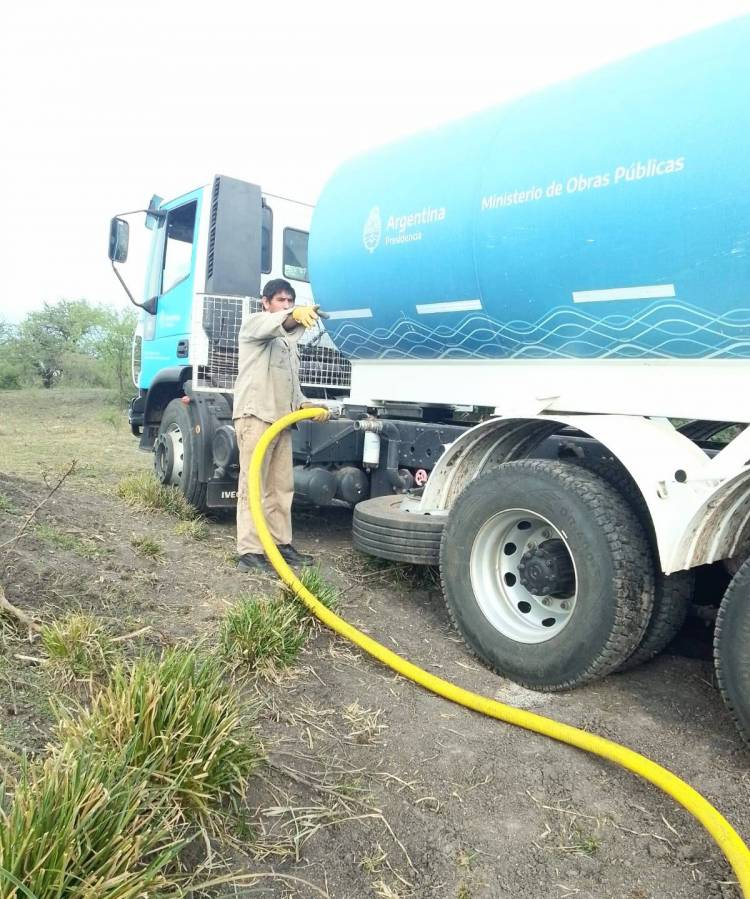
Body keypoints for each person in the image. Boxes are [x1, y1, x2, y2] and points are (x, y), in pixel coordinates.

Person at [233, 278, 330, 574]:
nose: (286, 305)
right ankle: (250, 551)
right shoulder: (253, 325)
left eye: (290, 301)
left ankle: (280, 544)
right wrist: (293, 315)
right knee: (253, 485)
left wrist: (305, 405)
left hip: (281, 422)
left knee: (281, 487)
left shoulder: (288, 345)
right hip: (255, 417)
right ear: (265, 302)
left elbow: (290, 384)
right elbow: (278, 323)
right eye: (280, 300)